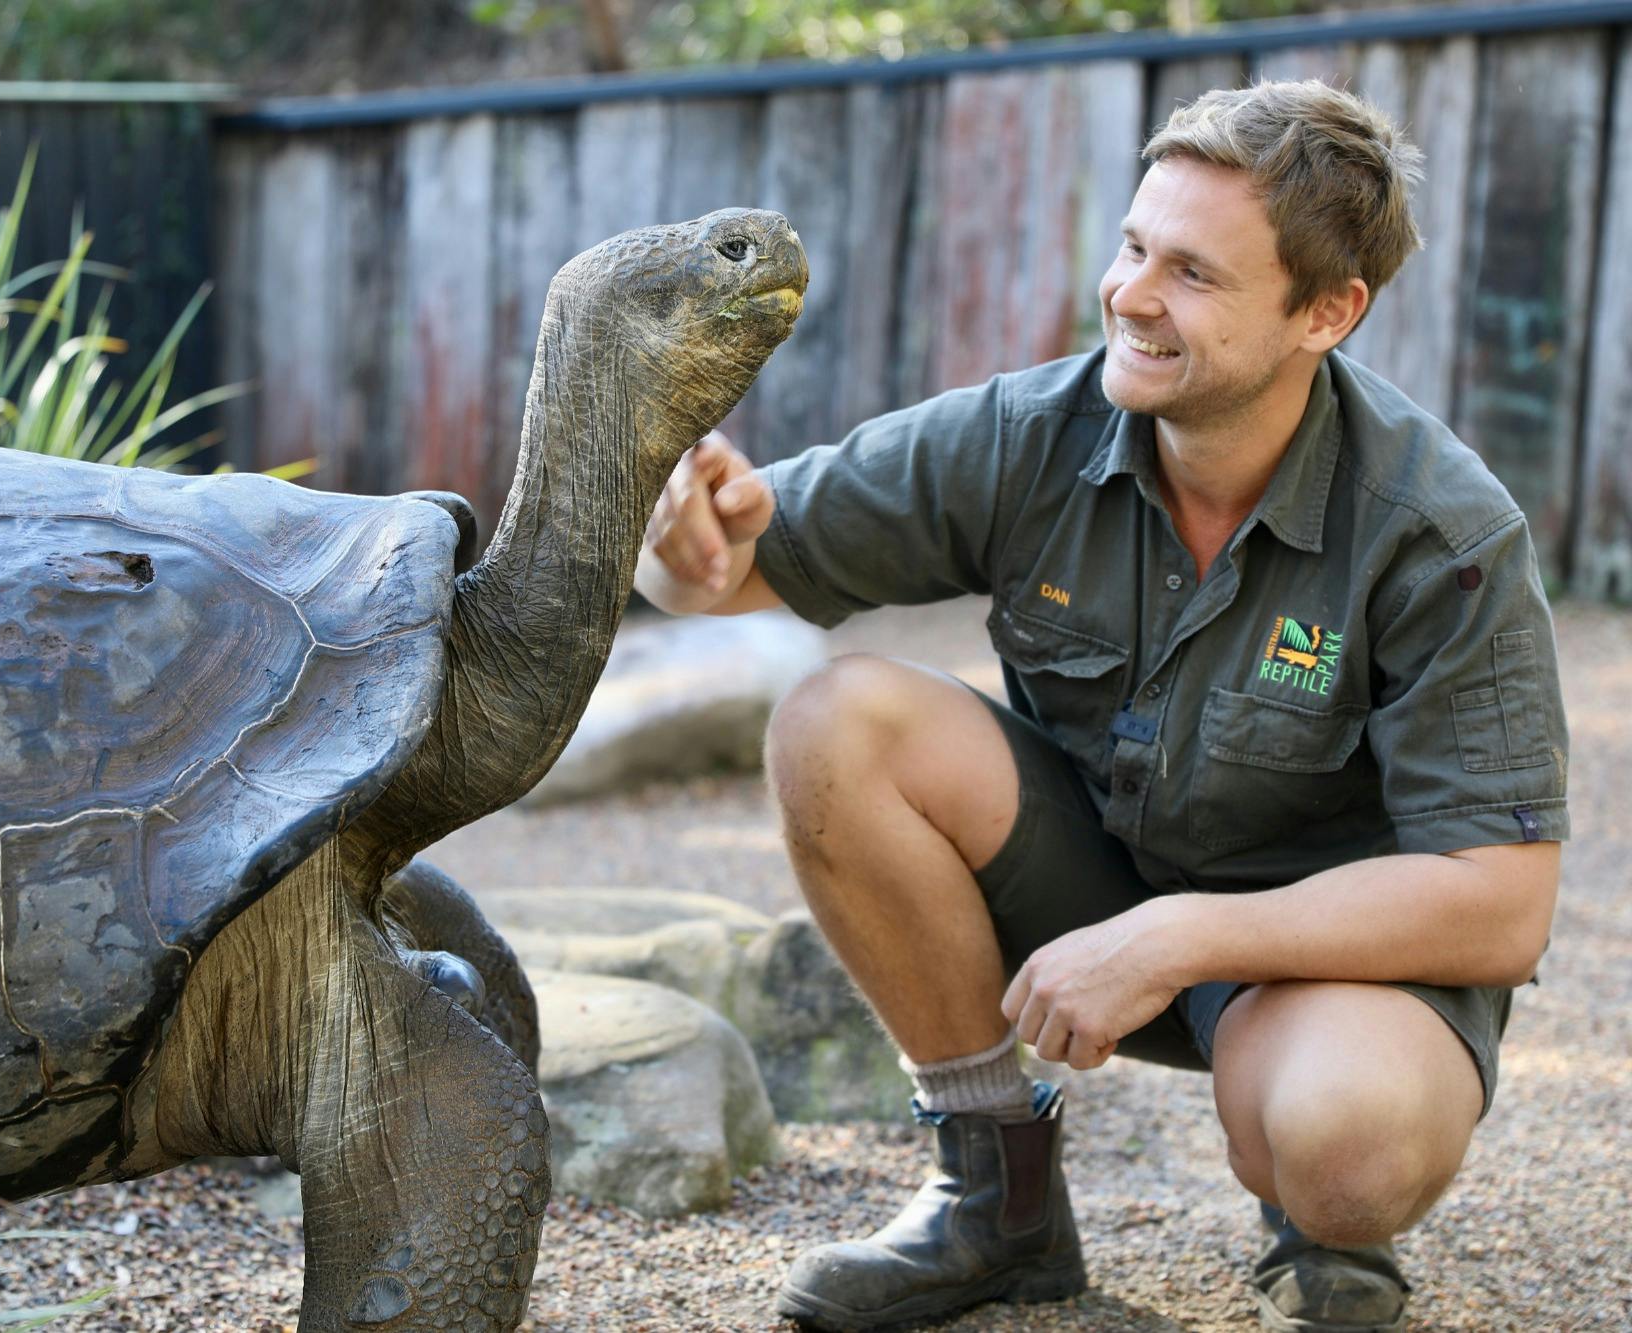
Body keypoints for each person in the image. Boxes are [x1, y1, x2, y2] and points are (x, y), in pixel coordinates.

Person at [633, 79, 1568, 1333]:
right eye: (1132, 245)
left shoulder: (1438, 533)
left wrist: (1180, 939)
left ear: (1326, 312)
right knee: (834, 720)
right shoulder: (1027, 432)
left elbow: (1500, 903)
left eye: (1191, 272)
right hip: (1087, 894)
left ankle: (1309, 1208)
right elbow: (726, 562)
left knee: (1346, 1153)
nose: (1129, 293)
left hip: (1319, 967)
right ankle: (991, 1203)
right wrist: (682, 552)